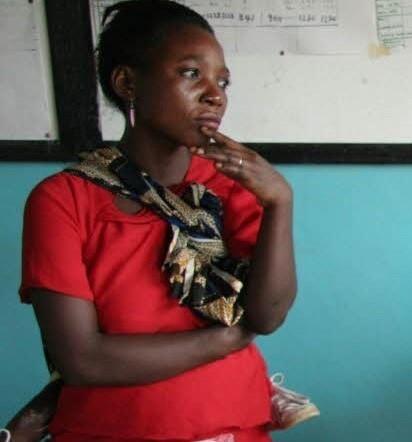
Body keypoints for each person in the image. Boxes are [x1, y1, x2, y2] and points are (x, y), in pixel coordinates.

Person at [10, 1, 313, 440]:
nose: (215, 95)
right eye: (191, 73)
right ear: (127, 83)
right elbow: (82, 359)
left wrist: (280, 203)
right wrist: (226, 339)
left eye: (222, 81)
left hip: (234, 428)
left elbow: (266, 317)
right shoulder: (64, 200)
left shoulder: (231, 188)